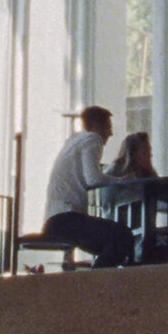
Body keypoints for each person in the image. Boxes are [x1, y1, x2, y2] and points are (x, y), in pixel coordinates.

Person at [41, 105, 135, 268]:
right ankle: (96, 282)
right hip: (66, 219)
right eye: (108, 127)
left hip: (54, 220)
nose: (110, 133)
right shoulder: (93, 139)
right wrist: (122, 181)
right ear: (97, 126)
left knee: (112, 243)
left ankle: (97, 275)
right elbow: (93, 179)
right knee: (123, 236)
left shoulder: (73, 140)